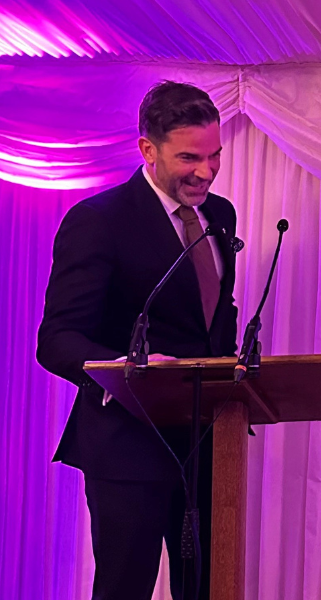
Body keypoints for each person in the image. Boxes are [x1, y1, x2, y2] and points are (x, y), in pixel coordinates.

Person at [37, 81, 238, 600]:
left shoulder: (220, 216)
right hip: (126, 446)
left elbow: (213, 316)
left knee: (209, 589)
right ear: (148, 149)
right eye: (190, 157)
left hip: (208, 443)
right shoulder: (99, 221)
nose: (207, 171)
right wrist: (131, 369)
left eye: (215, 155)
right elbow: (57, 339)